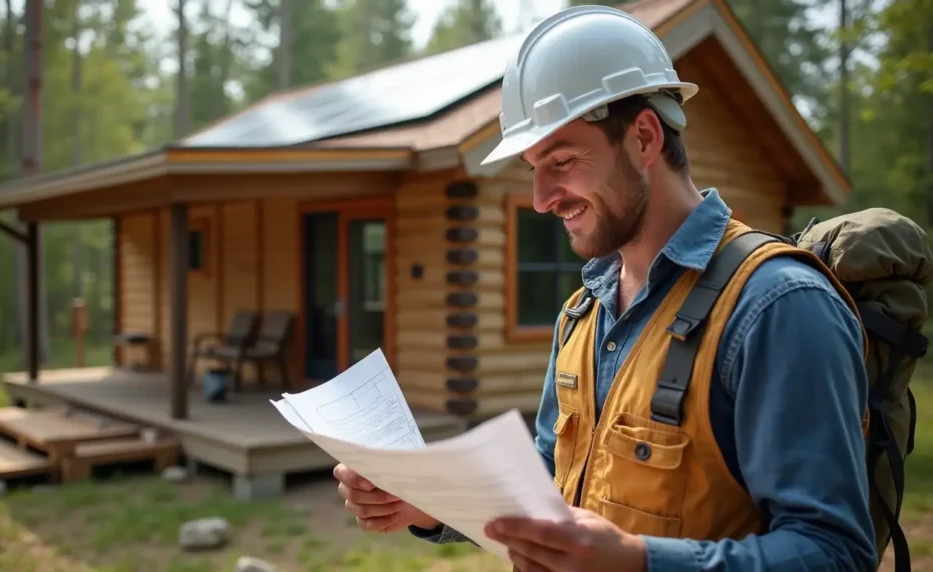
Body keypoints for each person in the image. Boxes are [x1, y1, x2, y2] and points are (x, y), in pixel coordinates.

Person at [333, 5, 878, 571]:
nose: (543, 198)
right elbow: (549, 486)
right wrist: (430, 504)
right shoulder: (584, 312)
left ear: (643, 137)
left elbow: (835, 553)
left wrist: (640, 562)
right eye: (533, 169)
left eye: (563, 160)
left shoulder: (777, 307)